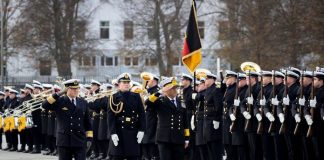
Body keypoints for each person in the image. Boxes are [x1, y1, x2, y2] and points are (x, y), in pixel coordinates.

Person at [42, 79, 93, 160]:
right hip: (64, 140)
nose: (76, 90)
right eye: (73, 88)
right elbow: (45, 105)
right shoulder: (60, 101)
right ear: (67, 89)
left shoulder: (83, 102)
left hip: (80, 139)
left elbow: (87, 122)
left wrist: (89, 138)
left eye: (77, 88)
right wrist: (59, 93)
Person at [146, 77, 190, 160]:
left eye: (175, 88)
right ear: (166, 90)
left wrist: (187, 138)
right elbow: (147, 102)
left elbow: (185, 121)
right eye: (172, 88)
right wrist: (159, 92)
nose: (175, 90)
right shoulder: (160, 101)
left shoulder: (181, 101)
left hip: (179, 138)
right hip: (164, 138)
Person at [108, 73, 146, 160]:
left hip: (133, 131)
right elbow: (111, 117)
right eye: (124, 82)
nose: (126, 84)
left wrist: (142, 130)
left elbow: (142, 114)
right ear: (119, 84)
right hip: (119, 132)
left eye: (128, 82)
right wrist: (113, 133)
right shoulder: (114, 97)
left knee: (133, 157)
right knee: (117, 157)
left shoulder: (136, 96)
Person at [142, 74, 160, 160]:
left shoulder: (157, 91)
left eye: (148, 80)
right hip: (147, 117)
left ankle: (153, 156)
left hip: (153, 118)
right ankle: (146, 156)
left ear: (154, 81)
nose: (146, 82)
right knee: (145, 139)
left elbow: (150, 103)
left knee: (151, 139)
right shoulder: (148, 90)